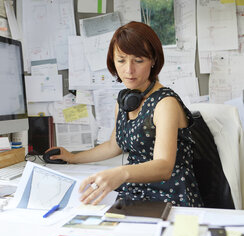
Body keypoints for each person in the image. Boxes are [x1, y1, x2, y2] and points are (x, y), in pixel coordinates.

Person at [47, 21, 203, 207]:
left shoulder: (165, 103)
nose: (128, 70)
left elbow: (164, 166)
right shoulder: (126, 102)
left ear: (153, 60)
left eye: (138, 60)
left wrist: (121, 173)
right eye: (121, 60)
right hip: (135, 190)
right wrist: (73, 157)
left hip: (170, 196)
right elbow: (114, 146)